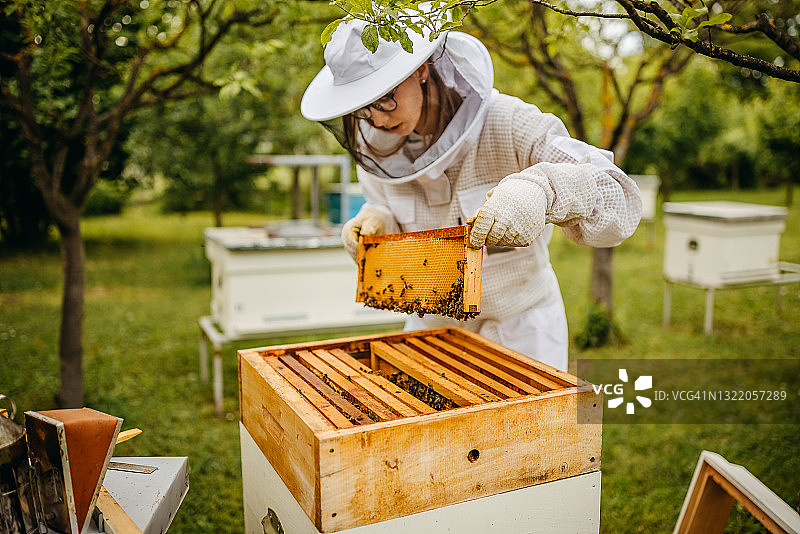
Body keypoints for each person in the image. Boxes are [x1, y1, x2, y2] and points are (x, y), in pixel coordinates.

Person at [300, 19, 642, 372]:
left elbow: (616, 197)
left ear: (420, 70)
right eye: (362, 107)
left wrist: (544, 191)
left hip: (520, 329)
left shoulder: (510, 122)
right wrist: (377, 220)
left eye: (385, 97)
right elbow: (389, 208)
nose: (376, 120)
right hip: (430, 329)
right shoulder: (377, 154)